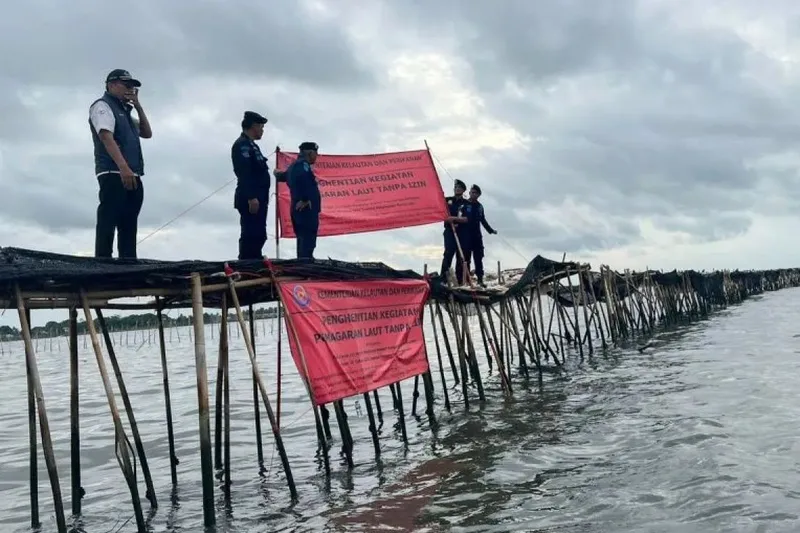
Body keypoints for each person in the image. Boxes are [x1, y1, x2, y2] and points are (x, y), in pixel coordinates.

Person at [89, 69, 152, 259]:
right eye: (127, 85)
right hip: (112, 171)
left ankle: (128, 261)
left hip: (133, 173)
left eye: (132, 87)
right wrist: (123, 168)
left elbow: (146, 132)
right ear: (112, 85)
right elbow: (106, 136)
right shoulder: (103, 106)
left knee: (129, 221)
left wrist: (138, 106)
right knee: (109, 219)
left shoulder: (125, 111)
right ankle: (103, 261)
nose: (130, 89)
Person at [231, 111, 271, 260]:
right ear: (253, 126)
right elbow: (244, 172)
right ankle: (247, 264)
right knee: (251, 234)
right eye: (261, 127)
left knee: (259, 234)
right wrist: (251, 197)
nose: (262, 130)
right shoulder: (242, 145)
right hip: (251, 198)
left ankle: (255, 260)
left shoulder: (252, 145)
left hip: (260, 197)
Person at [286, 142, 321, 259]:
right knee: (307, 241)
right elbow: (302, 180)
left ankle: (305, 262)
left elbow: (286, 177)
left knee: (305, 241)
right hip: (305, 209)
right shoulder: (302, 165)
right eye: (316, 153)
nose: (317, 156)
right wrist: (305, 198)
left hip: (302, 210)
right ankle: (305, 266)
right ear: (310, 153)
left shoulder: (295, 166)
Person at [463, 184, 497, 287]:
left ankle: (480, 280)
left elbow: (483, 220)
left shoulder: (480, 207)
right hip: (466, 236)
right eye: (471, 192)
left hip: (477, 236)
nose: (472, 194)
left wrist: (491, 230)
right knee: (466, 259)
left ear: (478, 195)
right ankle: (467, 281)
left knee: (478, 258)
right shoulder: (464, 204)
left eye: (475, 193)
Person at [439, 179, 469, 285]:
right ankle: (443, 279)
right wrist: (448, 219)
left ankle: (460, 280)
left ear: (463, 190)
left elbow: (466, 219)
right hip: (449, 231)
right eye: (456, 187)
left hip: (462, 232)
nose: (457, 189)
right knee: (448, 253)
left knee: (460, 255)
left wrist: (454, 219)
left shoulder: (466, 203)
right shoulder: (447, 200)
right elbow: (441, 213)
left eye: (459, 188)